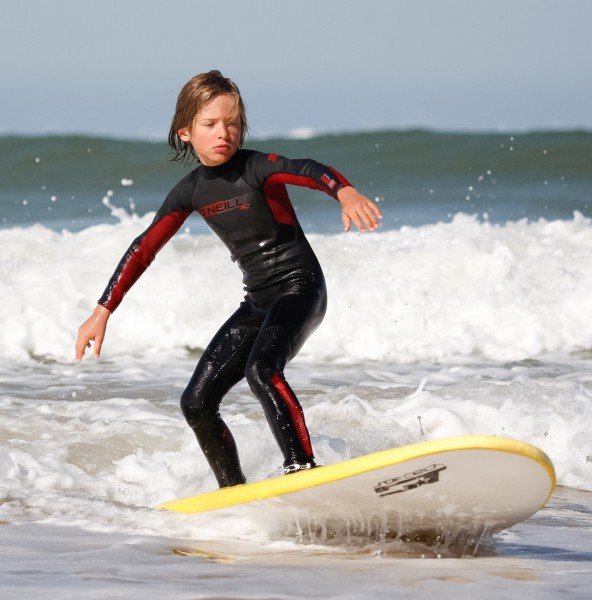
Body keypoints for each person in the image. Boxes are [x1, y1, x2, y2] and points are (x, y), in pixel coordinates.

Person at [75, 70, 382, 488]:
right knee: (196, 403)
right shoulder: (190, 191)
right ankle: (232, 493)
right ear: (185, 132)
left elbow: (309, 169)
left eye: (232, 122)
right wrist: (102, 310)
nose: (224, 132)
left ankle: (303, 469)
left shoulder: (256, 168)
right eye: (210, 124)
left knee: (262, 370)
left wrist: (344, 192)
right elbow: (144, 248)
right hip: (257, 302)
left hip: (300, 287)